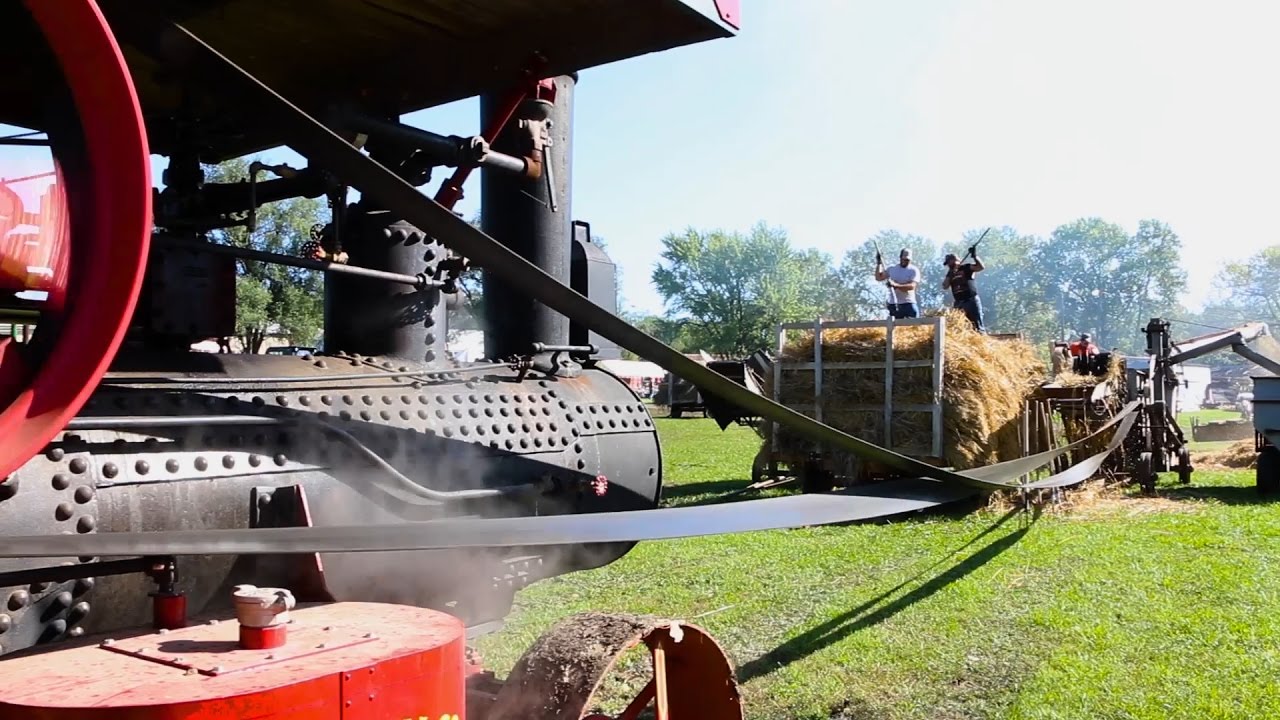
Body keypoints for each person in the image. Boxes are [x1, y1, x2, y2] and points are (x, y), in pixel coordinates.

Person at [941, 247, 985, 332]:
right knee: (961, 327)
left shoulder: (966, 267)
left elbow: (980, 267)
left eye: (949, 262)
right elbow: (945, 286)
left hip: (971, 300)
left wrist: (975, 256)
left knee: (977, 326)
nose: (948, 265)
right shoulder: (950, 274)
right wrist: (950, 274)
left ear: (954, 260)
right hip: (959, 303)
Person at [874, 248, 920, 319]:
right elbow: (878, 277)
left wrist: (895, 285)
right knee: (895, 324)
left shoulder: (913, 270)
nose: (905, 261)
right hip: (894, 304)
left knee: (914, 323)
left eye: (907, 260)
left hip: (908, 303)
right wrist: (879, 263)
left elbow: (912, 286)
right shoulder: (892, 269)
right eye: (904, 259)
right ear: (900, 258)